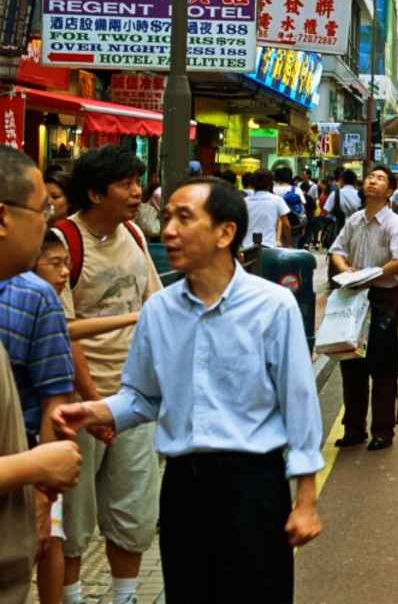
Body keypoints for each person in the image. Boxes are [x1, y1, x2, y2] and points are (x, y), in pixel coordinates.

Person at [52, 176, 324, 602]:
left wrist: (305, 499)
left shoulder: (272, 306)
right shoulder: (158, 310)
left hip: (253, 487)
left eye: (184, 218)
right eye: (166, 218)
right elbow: (141, 396)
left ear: (225, 232)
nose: (170, 232)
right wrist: (95, 411)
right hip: (183, 489)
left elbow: (299, 403)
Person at [55, 145, 161, 604]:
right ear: (97, 194)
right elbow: (62, 333)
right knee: (74, 517)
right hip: (77, 403)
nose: (138, 192)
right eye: (126, 184)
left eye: (137, 182)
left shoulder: (135, 235)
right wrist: (95, 404)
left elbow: (153, 307)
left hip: (134, 399)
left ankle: (125, 596)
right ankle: (74, 596)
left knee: (134, 510)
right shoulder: (63, 243)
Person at [0, 148, 82, 604]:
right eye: (42, 210)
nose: (49, 223)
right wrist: (35, 467)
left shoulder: (34, 297)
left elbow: (55, 391)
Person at [330, 168, 398, 452]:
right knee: (351, 361)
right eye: (369, 177)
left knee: (383, 366)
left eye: (379, 179)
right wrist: (348, 271)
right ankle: (354, 428)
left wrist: (372, 274)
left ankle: (382, 430)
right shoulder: (354, 220)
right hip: (353, 296)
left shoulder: (393, 223)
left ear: (389, 190)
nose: (371, 181)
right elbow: (337, 250)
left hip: (383, 298)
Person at [241, 170, 290, 251]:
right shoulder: (277, 200)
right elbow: (286, 224)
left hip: (247, 246)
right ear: (270, 184)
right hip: (269, 247)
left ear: (252, 184)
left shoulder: (244, 201)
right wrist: (289, 243)